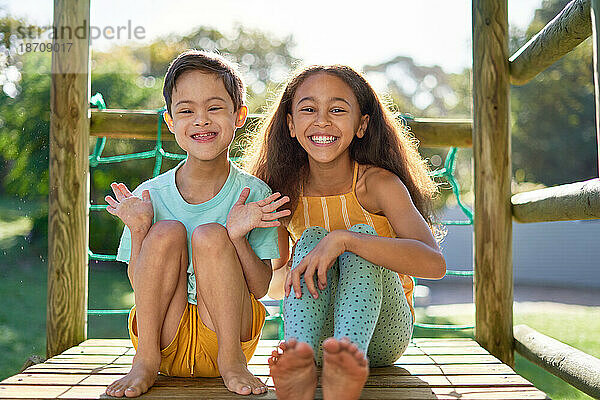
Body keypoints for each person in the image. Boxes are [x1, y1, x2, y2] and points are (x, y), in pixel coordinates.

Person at [245, 65, 446, 400]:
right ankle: (300, 361)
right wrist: (302, 258)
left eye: (337, 110)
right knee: (310, 239)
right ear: (291, 124)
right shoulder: (282, 193)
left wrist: (345, 240)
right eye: (309, 110)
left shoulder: (379, 184)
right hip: (315, 336)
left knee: (358, 235)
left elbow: (434, 265)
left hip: (382, 336)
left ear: (362, 124)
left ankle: (346, 361)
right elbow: (274, 284)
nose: (322, 121)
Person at [103, 50, 290, 398]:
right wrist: (140, 230)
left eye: (215, 108)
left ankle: (234, 363)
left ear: (239, 115)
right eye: (187, 111)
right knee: (165, 231)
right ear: (171, 122)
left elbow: (262, 286)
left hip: (227, 334)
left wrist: (236, 238)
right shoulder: (148, 196)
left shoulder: (254, 194)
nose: (201, 120)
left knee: (212, 236)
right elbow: (137, 284)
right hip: (162, 339)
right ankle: (142, 362)